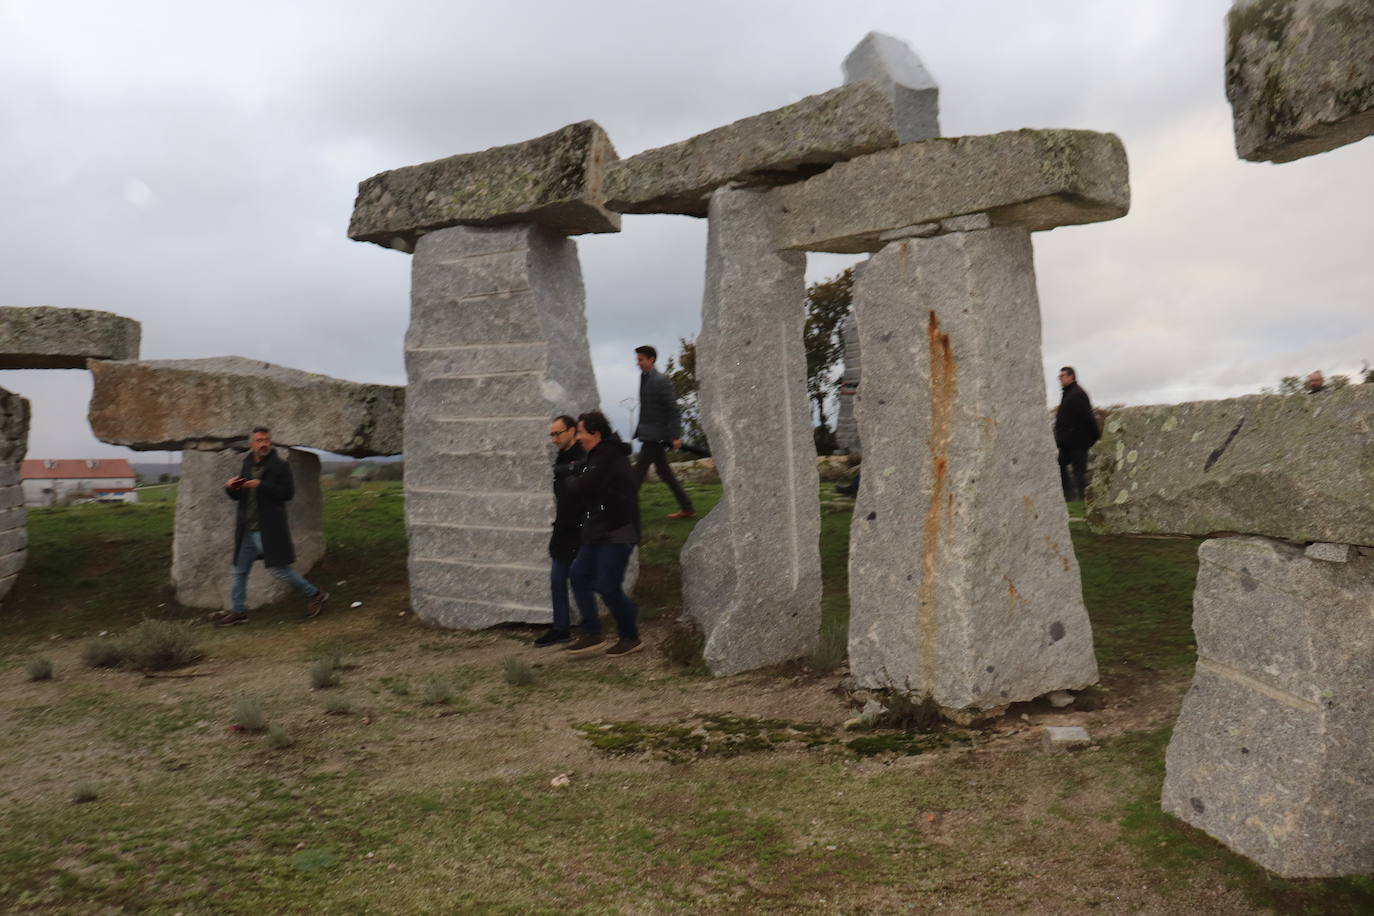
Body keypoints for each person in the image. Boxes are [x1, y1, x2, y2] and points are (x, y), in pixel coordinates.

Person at [209, 427, 327, 626]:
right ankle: (238, 612)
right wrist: (230, 488)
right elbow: (240, 496)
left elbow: (287, 493)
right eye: (259, 440)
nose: (263, 444)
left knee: (278, 570)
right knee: (239, 570)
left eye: (266, 440)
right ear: (251, 444)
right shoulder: (247, 462)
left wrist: (260, 485)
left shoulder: (279, 466)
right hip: (247, 528)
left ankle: (315, 594)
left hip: (268, 528)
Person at [563, 410, 642, 657]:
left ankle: (630, 636)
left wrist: (572, 478)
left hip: (618, 529)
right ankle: (592, 633)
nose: (577, 438)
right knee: (578, 575)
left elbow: (584, 485)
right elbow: (588, 482)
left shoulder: (607, 453)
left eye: (580, 432)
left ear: (596, 433)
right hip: (599, 529)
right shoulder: (599, 455)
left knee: (607, 586)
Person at [534, 414, 585, 647]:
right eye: (551, 434)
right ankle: (560, 628)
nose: (553, 439)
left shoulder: (583, 455)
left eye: (557, 433)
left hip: (582, 529)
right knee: (557, 579)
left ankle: (591, 629)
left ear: (572, 431)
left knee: (582, 580)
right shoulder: (561, 456)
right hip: (563, 528)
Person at [632, 345, 695, 519]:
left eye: (640, 359)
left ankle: (624, 513)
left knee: (637, 474)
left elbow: (673, 410)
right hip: (649, 434)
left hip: (656, 436)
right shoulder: (644, 378)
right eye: (637, 359)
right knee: (665, 473)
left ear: (651, 360)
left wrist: (675, 435)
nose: (637, 363)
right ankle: (687, 508)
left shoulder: (661, 381)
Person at [1054, 367, 1100, 503]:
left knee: (1079, 472)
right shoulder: (1068, 393)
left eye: (1063, 376)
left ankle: (1081, 499)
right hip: (1066, 442)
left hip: (1078, 442)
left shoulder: (1078, 394)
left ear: (1071, 377)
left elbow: (1088, 417)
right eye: (1060, 376)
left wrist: (1094, 436)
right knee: (1060, 467)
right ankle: (1069, 497)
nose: (1060, 379)